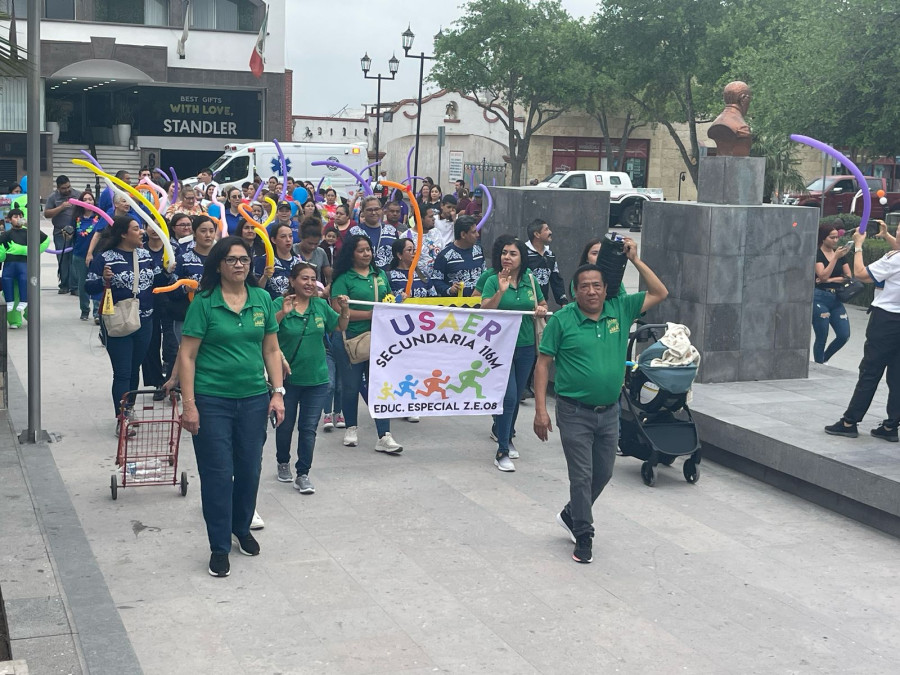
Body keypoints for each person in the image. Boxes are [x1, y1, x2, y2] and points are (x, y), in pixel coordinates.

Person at [533, 239, 669, 564]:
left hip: (609, 412)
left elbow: (660, 292)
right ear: (575, 290)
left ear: (606, 288)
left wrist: (635, 259)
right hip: (573, 411)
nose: (591, 292)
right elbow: (542, 364)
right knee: (581, 476)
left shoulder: (619, 308)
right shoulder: (563, 319)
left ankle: (570, 514)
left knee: (603, 473)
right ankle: (584, 533)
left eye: (597, 286)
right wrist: (540, 410)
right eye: (584, 287)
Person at [177, 236, 285, 578]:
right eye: (232, 259)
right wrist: (189, 404)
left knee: (250, 469)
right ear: (219, 265)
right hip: (212, 401)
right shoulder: (204, 302)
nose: (239, 264)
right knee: (218, 475)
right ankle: (219, 546)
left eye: (244, 259)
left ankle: (241, 527)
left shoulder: (263, 299)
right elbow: (187, 355)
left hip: (254, 399)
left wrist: (278, 391)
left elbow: (271, 349)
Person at [84, 217, 174, 434]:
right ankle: (121, 418)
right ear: (123, 234)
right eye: (136, 229)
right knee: (122, 372)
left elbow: (155, 282)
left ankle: (130, 407)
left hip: (145, 320)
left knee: (135, 369)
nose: (141, 232)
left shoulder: (144, 255)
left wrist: (168, 272)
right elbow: (89, 286)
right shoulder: (105, 258)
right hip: (118, 321)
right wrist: (103, 279)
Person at [274, 263, 350, 491]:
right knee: (285, 426)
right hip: (287, 380)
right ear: (292, 280)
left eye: (312, 279)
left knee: (308, 428)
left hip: (317, 379)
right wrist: (282, 314)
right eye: (304, 278)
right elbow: (266, 333)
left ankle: (303, 473)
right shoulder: (280, 304)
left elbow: (338, 326)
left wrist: (344, 309)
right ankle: (283, 462)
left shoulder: (319, 305)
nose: (309, 283)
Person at [825, 225, 900, 441]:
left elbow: (860, 274)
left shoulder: (894, 259)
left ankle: (850, 422)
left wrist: (858, 245)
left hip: (886, 321)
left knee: (870, 371)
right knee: (897, 375)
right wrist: (885, 236)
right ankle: (891, 426)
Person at [330, 234, 403, 453]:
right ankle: (351, 428)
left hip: (380, 340)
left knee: (380, 387)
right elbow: (337, 310)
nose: (366, 254)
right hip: (350, 340)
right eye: (361, 250)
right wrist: (372, 315)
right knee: (351, 386)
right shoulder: (343, 278)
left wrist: (397, 302)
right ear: (351, 253)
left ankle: (385, 435)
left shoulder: (380, 274)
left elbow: (387, 300)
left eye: (368, 249)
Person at [480, 238, 548, 471]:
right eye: (505, 253)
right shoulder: (491, 280)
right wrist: (501, 292)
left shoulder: (531, 280)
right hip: (499, 348)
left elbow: (542, 303)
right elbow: (484, 311)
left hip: (527, 346)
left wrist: (540, 309)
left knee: (517, 395)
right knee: (508, 397)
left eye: (513, 254)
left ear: (522, 258)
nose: (507, 257)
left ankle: (506, 434)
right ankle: (502, 450)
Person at [812, 224, 853, 364]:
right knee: (822, 335)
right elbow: (822, 276)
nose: (836, 240)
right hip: (820, 296)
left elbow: (848, 276)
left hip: (836, 297)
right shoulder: (818, 254)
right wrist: (834, 258)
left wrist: (831, 279)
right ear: (823, 238)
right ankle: (819, 363)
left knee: (844, 335)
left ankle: (824, 358)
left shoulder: (840, 254)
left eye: (837, 237)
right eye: (832, 237)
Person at [0, 208, 48, 325]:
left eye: (20, 216)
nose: (18, 219)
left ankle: (31, 316)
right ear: (9, 220)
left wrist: (31, 251)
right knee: (12, 292)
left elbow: (45, 240)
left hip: (27, 267)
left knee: (30, 290)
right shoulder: (6, 234)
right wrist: (4, 255)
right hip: (11, 266)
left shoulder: (30, 231)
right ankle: (14, 320)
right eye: (15, 217)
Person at [43, 175, 82, 294]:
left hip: (76, 231)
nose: (67, 190)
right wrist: (61, 207)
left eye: (68, 186)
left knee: (74, 259)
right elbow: (47, 214)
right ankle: (64, 284)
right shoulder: (53, 197)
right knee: (63, 258)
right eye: (64, 188)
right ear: (58, 188)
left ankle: (74, 286)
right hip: (60, 232)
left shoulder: (77, 194)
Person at [431, 216, 485, 297]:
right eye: (473, 232)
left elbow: (485, 273)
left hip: (478, 304)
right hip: (455, 306)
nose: (477, 235)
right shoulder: (445, 256)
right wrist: (449, 290)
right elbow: (436, 280)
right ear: (463, 235)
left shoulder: (479, 250)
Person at [70, 194, 103, 321]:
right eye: (84, 200)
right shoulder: (76, 218)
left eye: (90, 199)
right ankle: (84, 310)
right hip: (79, 254)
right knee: (82, 283)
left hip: (96, 256)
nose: (88, 202)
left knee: (96, 283)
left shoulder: (99, 217)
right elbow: (71, 234)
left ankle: (96, 312)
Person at [525, 218, 568, 306]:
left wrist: (563, 302)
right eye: (546, 229)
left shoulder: (550, 255)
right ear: (537, 234)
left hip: (542, 306)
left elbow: (556, 279)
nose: (550, 232)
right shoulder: (522, 253)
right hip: (524, 304)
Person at [348, 195, 398, 270]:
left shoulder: (392, 231)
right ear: (363, 212)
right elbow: (347, 257)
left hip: (388, 277)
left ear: (381, 210)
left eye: (377, 209)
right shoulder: (354, 232)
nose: (374, 212)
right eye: (369, 210)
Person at [255, 223, 300, 300]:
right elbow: (256, 290)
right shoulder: (264, 260)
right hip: (271, 305)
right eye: (283, 236)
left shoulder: (299, 261)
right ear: (273, 240)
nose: (288, 240)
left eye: (290, 236)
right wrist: (265, 277)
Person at [292, 219, 332, 287]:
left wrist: (328, 287)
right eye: (310, 243)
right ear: (301, 238)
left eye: (316, 244)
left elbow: (329, 276)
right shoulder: (293, 250)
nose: (313, 247)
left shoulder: (321, 252)